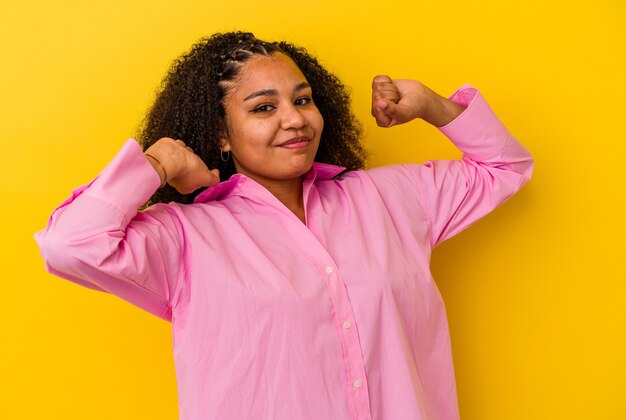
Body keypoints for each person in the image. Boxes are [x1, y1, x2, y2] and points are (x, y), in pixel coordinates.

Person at [35, 31, 533, 420]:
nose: (295, 119)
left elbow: (506, 169)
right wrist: (158, 162)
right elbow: (68, 245)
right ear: (220, 135)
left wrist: (430, 105)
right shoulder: (184, 236)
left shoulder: (389, 199)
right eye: (264, 108)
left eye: (303, 99)